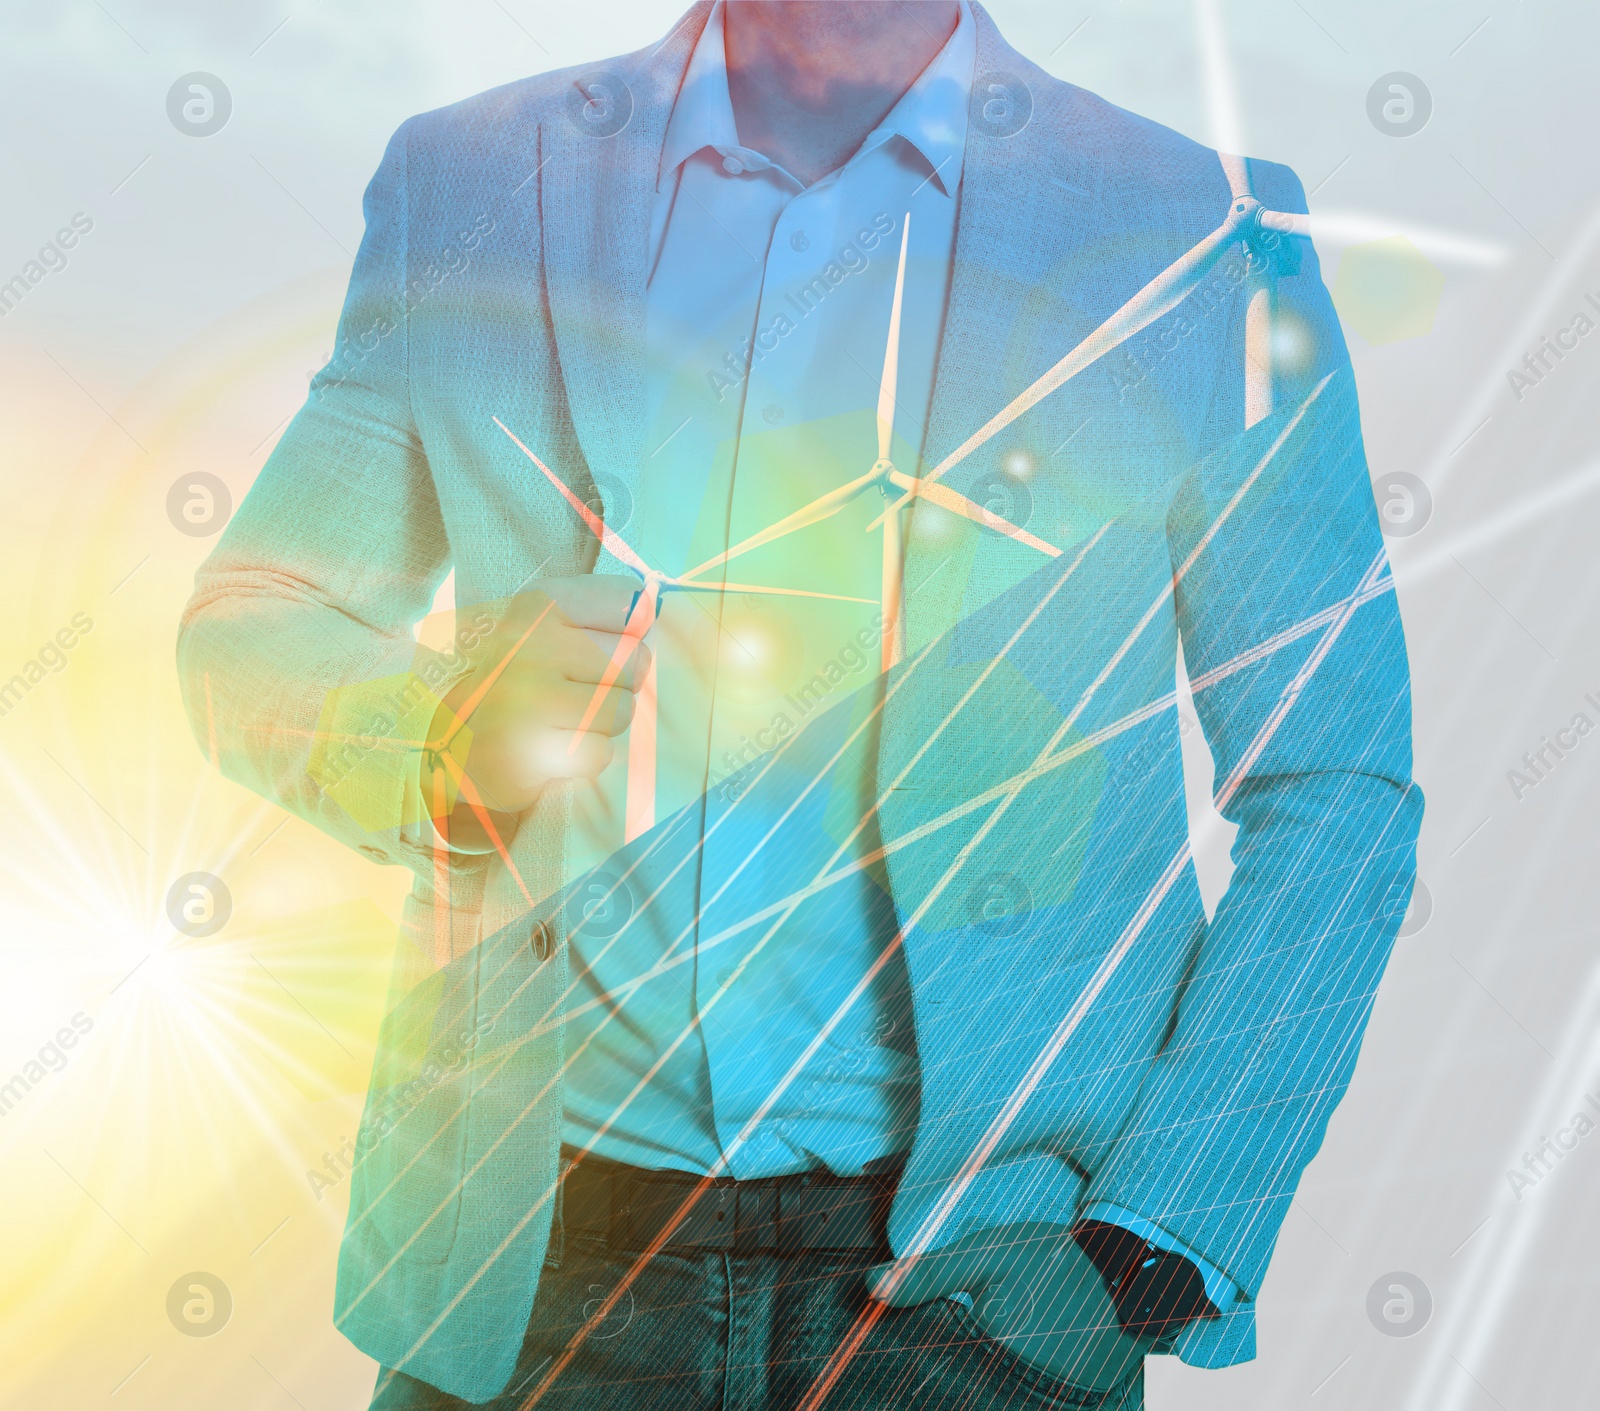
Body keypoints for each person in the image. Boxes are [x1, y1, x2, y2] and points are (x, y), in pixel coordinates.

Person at [179, 2, 1422, 1407]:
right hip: (526, 1282)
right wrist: (436, 743)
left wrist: (1169, 1222)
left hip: (985, 1306)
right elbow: (257, 622)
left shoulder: (1203, 232)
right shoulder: (474, 178)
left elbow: (1332, 773)